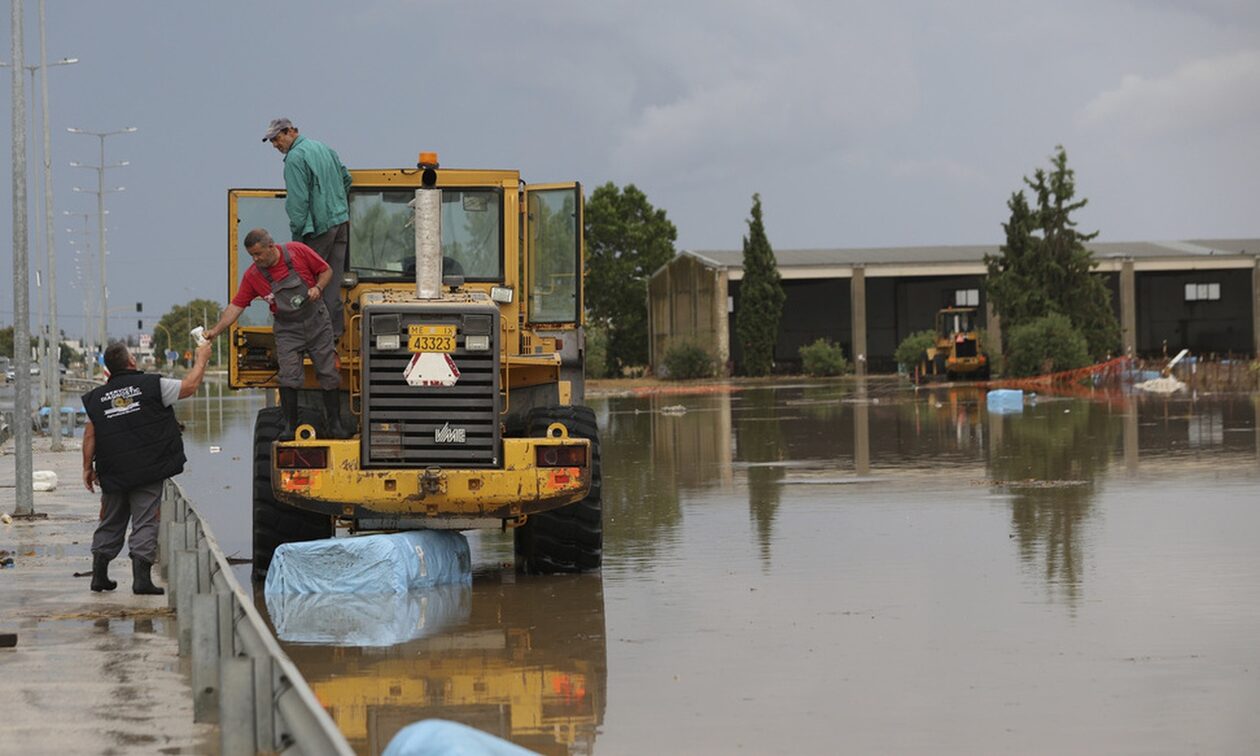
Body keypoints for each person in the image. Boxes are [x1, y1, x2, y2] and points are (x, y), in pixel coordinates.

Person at [82, 340, 211, 594]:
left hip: (112, 470)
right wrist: (202, 358)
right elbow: (190, 386)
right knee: (145, 521)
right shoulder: (153, 385)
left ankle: (99, 576)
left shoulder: (97, 398)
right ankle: (141, 581)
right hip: (147, 469)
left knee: (110, 520)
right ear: (131, 362)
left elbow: (89, 435)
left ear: (108, 369)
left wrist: (87, 467)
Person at [204, 227, 349, 440]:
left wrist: (318, 288)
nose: (255, 259)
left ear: (271, 247)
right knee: (289, 377)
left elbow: (326, 270)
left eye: (258, 254)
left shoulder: (298, 251)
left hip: (317, 323)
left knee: (328, 373)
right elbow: (236, 306)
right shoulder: (253, 276)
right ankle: (290, 427)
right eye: (252, 255)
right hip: (287, 330)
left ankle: (335, 426)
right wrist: (215, 331)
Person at [262, 117, 352, 344]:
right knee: (331, 280)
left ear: (290, 132)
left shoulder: (294, 158)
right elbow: (346, 178)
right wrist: (337, 203)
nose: (275, 145)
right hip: (340, 223)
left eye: (276, 139)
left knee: (305, 282)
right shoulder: (323, 148)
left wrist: (297, 239)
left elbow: (298, 203)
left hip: (318, 228)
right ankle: (333, 334)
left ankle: (308, 336)